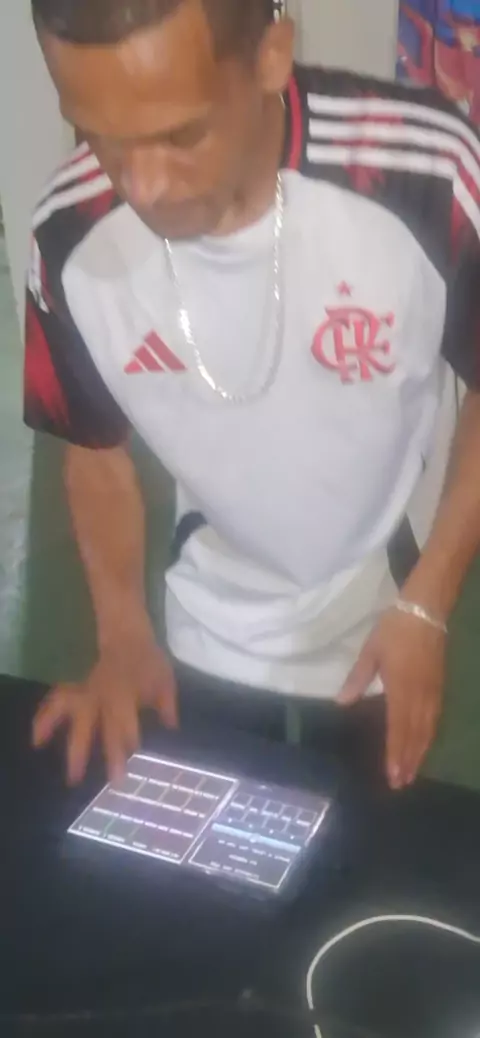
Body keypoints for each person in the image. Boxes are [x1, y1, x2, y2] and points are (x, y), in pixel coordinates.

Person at [25, 0, 480, 792]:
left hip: (389, 592)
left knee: (371, 836)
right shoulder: (67, 237)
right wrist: (123, 634)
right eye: (98, 134)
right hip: (211, 611)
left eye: (180, 134)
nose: (141, 186)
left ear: (272, 56)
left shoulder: (424, 171)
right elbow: (94, 451)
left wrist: (428, 603)